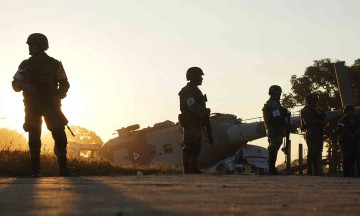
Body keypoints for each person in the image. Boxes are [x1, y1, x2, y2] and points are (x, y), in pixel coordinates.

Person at [12, 33, 73, 177]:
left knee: (59, 135)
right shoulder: (25, 64)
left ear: (41, 46)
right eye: (29, 44)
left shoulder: (55, 64)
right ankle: (36, 170)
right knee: (34, 136)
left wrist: (56, 97)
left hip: (51, 106)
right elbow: (15, 85)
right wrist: (27, 87)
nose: (29, 47)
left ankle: (63, 169)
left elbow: (65, 84)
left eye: (32, 45)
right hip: (32, 106)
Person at [178, 67, 211, 174]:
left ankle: (193, 167)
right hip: (191, 122)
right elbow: (192, 106)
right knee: (190, 145)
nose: (202, 79)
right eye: (200, 76)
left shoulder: (195, 90)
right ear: (194, 77)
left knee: (196, 146)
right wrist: (204, 111)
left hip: (197, 122)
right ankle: (187, 168)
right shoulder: (188, 91)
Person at [262, 85, 289, 175]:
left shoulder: (273, 103)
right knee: (273, 148)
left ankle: (271, 169)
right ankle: (271, 169)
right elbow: (277, 116)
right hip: (274, 129)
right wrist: (286, 125)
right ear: (277, 93)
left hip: (274, 128)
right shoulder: (273, 103)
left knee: (274, 147)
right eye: (279, 93)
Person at [300, 93, 326, 176]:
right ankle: (310, 171)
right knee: (311, 152)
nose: (315, 102)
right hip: (311, 132)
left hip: (319, 132)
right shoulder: (305, 110)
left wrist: (322, 114)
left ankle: (317, 171)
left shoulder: (317, 110)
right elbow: (308, 121)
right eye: (314, 100)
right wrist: (319, 122)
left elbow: (323, 119)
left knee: (318, 152)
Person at [337, 104, 360, 177]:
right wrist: (348, 134)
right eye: (348, 111)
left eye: (351, 111)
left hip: (356, 142)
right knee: (347, 158)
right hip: (346, 143)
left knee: (357, 158)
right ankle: (346, 174)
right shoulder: (342, 120)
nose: (349, 113)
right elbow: (340, 131)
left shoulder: (356, 119)